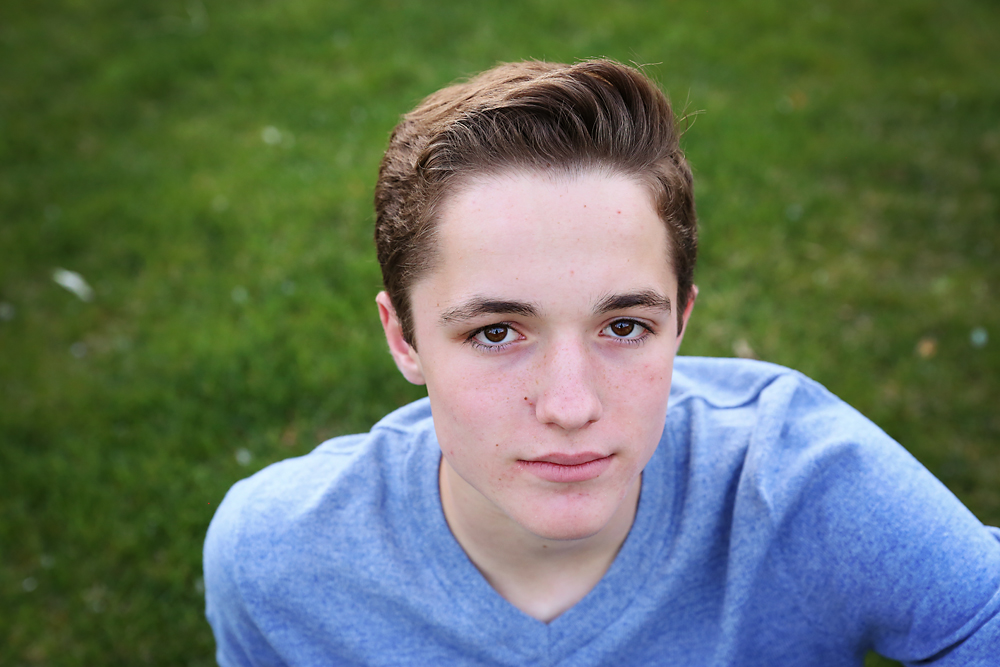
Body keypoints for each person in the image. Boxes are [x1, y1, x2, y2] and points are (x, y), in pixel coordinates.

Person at [203, 59, 1000, 666]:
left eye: (622, 325)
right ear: (403, 337)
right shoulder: (278, 560)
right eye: (495, 332)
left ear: (682, 319)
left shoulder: (805, 489)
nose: (571, 404)